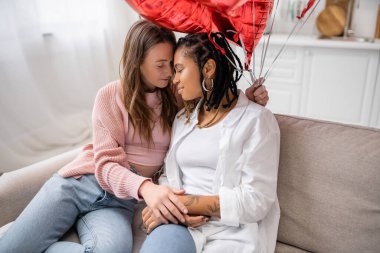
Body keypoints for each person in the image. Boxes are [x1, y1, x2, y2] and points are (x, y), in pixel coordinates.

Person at [0, 20, 269, 253]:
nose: (170, 74)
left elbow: (212, 103)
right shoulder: (110, 95)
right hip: (82, 185)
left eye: (173, 66)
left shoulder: (176, 97)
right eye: (161, 65)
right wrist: (147, 188)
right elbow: (104, 166)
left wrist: (246, 98)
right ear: (138, 63)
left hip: (120, 202)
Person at [140, 33, 280, 253]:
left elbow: (257, 200)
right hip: (179, 224)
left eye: (179, 69)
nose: (174, 79)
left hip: (232, 233)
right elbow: (169, 175)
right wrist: (172, 210)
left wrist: (184, 204)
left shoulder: (257, 120)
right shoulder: (182, 119)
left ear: (208, 69)